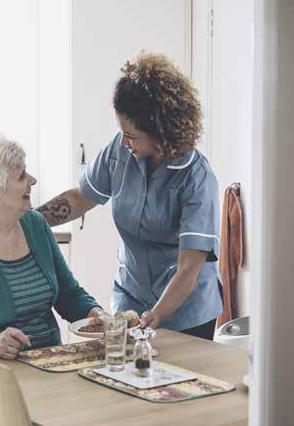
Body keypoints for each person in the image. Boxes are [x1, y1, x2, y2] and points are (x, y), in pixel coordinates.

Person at [38, 53, 222, 340]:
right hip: (131, 300)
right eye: (122, 132)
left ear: (160, 133)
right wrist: (29, 220)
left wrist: (156, 315)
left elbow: (190, 267)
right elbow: (81, 197)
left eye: (132, 135)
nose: (124, 141)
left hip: (185, 313)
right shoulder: (120, 150)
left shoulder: (197, 178)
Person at [0, 135, 103, 360]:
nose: (32, 181)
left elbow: (69, 296)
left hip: (49, 363)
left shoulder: (36, 224)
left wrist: (100, 317)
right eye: (22, 176)